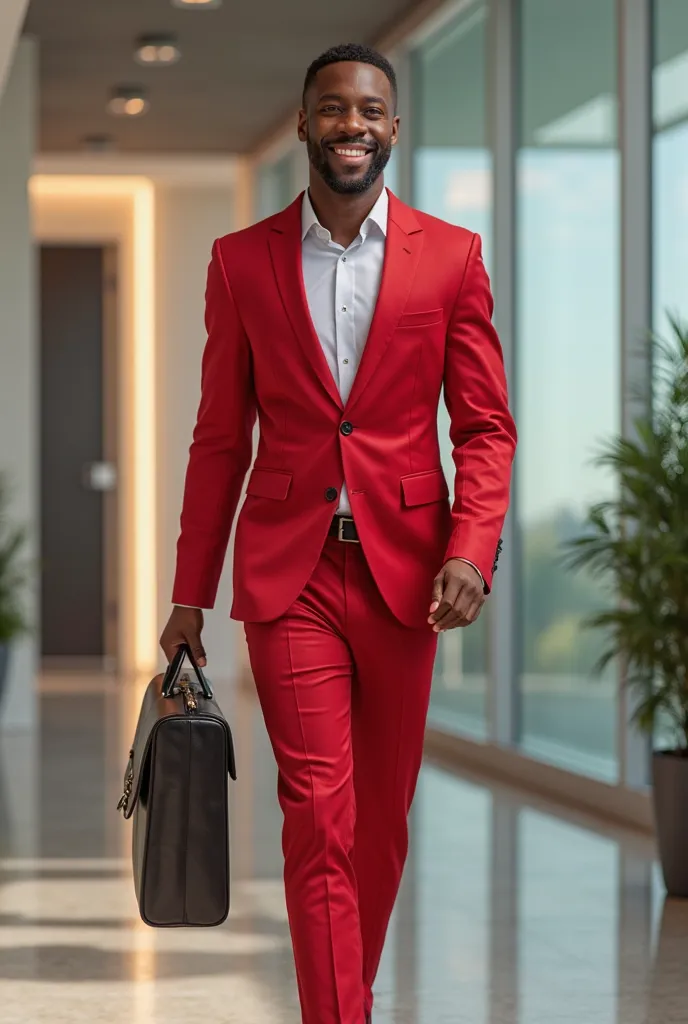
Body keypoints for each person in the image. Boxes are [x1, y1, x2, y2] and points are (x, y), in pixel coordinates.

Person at [160, 42, 517, 1024]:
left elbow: (484, 425)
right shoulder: (242, 262)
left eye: (369, 110)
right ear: (307, 123)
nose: (351, 125)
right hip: (292, 575)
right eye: (332, 109)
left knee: (379, 828)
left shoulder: (450, 258)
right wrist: (189, 596)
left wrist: (469, 548)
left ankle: (339, 996)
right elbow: (219, 440)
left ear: (393, 128)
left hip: (409, 578)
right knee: (318, 813)